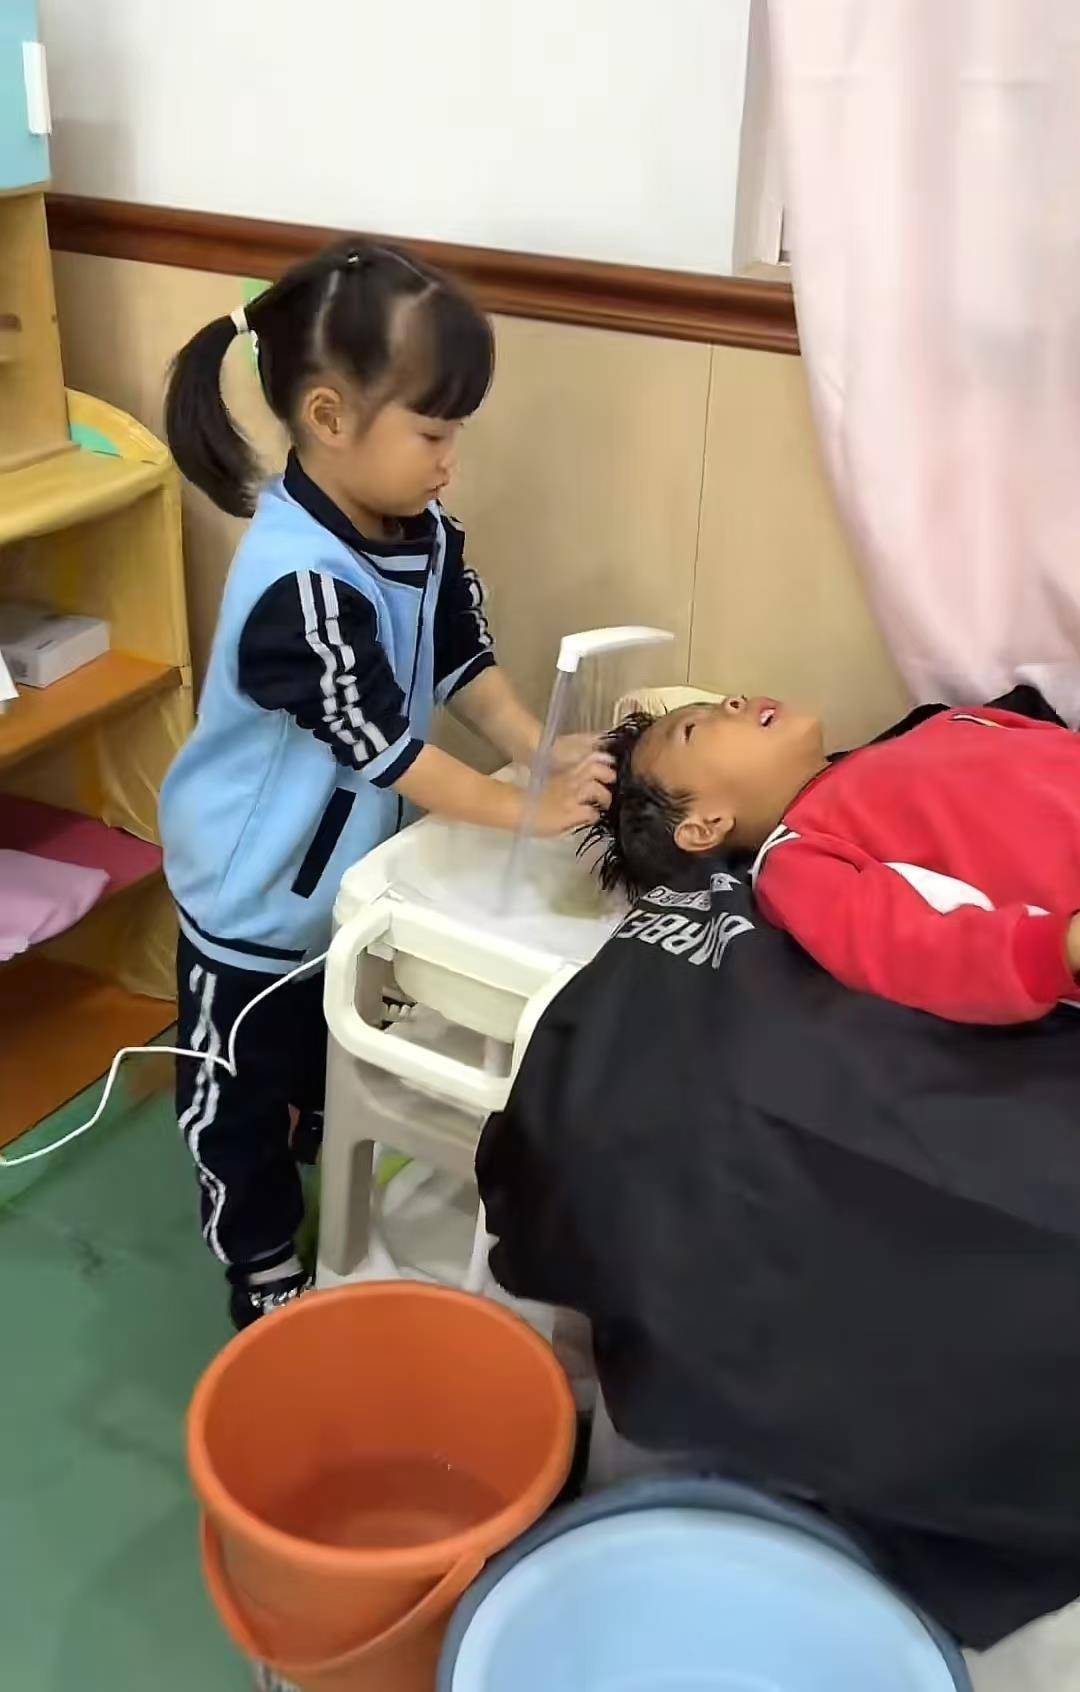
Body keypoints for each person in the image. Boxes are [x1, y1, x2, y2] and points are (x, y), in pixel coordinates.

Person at [161, 239, 611, 1326]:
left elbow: (460, 660)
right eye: (432, 433)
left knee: (328, 1056)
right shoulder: (298, 584)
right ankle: (258, 1262)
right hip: (250, 901)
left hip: (344, 887)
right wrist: (524, 810)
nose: (450, 461)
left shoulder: (424, 533)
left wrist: (536, 746)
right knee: (235, 1101)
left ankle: (316, 1141)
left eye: (456, 433)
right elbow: (386, 750)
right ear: (329, 417)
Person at [586, 693, 1080, 1026]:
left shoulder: (940, 725)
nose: (732, 700)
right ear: (705, 825)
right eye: (693, 728)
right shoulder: (796, 861)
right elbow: (911, 952)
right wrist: (1060, 948)